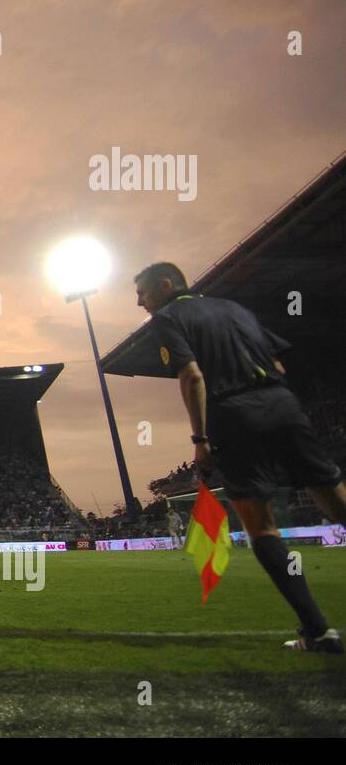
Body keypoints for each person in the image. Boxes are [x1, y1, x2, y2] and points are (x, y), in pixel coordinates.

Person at [136, 261, 346, 653]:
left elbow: (193, 376)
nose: (139, 302)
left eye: (143, 293)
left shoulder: (168, 318)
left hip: (234, 414)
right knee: (337, 502)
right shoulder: (234, 309)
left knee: (261, 526)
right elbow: (280, 364)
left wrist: (200, 438)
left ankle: (317, 630)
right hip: (283, 403)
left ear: (166, 286)